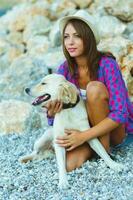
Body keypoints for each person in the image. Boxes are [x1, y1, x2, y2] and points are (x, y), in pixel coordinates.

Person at [45, 10, 133, 172]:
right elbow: (55, 121)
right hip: (84, 129)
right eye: (66, 37)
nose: (70, 42)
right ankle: (94, 150)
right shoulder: (64, 70)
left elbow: (120, 113)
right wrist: (51, 113)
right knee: (69, 166)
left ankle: (103, 149)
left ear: (88, 38)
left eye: (77, 36)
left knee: (94, 88)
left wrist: (82, 137)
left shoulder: (107, 65)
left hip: (113, 131)